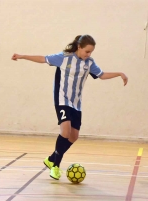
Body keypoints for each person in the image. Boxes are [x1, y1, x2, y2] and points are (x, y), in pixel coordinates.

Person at [12, 35, 128, 180]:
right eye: (87, 51)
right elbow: (43, 58)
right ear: (79, 47)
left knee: (74, 136)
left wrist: (119, 74)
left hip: (76, 103)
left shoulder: (89, 63)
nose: (88, 54)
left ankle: (51, 158)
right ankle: (55, 167)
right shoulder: (64, 58)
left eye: (91, 52)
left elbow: (102, 75)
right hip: (62, 99)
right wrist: (22, 56)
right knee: (65, 131)